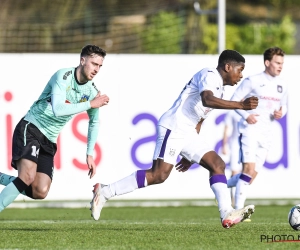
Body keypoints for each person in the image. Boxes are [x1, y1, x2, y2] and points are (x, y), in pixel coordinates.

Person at [90, 49, 258, 229]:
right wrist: (240, 105)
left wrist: (188, 155)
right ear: (227, 67)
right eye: (239, 70)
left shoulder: (221, 91)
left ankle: (226, 213)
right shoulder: (209, 75)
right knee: (158, 175)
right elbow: (207, 100)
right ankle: (105, 191)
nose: (241, 75)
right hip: (174, 126)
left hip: (188, 132)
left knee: (217, 164)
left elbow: (200, 118)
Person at [0, 45, 109, 212]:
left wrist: (89, 154)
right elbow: (58, 109)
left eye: (100, 66)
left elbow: (94, 122)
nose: (97, 69)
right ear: (82, 60)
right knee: (27, 176)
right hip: (31, 128)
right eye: (94, 64)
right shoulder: (63, 76)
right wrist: (90, 104)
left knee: (40, 191)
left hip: (49, 140)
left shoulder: (91, 91)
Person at [226, 47, 288, 210]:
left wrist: (281, 112)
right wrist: (247, 116)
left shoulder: (282, 85)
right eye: (277, 63)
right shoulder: (252, 81)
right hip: (249, 130)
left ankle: (224, 184)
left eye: (282, 63)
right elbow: (234, 100)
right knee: (248, 170)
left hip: (266, 132)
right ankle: (238, 210)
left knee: (250, 177)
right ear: (267, 63)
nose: (280, 66)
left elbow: (284, 106)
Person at [221, 110, 243, 205]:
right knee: (234, 172)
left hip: (247, 145)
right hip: (235, 145)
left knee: (245, 174)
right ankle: (233, 202)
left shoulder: (251, 110)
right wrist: (224, 145)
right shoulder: (233, 112)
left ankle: (238, 200)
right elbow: (227, 128)